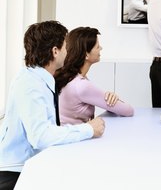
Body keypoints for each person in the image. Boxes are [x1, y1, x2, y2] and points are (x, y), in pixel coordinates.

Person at [0, 21, 105, 190]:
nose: (68, 51)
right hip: (16, 174)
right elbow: (40, 136)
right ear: (55, 51)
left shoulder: (39, 78)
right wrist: (88, 129)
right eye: (65, 46)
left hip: (28, 167)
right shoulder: (30, 84)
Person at [55, 27, 134, 125]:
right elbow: (128, 110)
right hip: (76, 138)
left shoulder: (68, 78)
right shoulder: (81, 85)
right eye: (97, 46)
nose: (101, 48)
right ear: (86, 55)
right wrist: (114, 98)